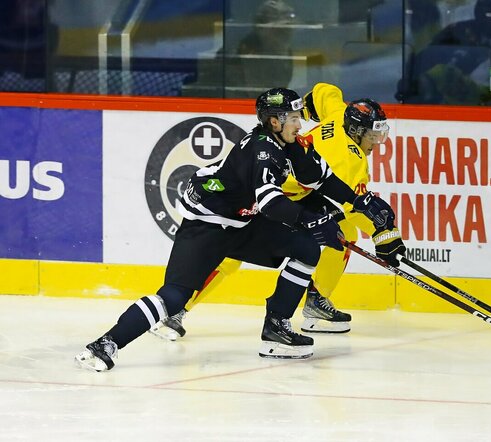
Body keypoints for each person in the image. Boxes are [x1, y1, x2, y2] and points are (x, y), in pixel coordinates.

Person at [75, 87, 400, 371]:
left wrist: (365, 202)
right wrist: (314, 221)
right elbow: (273, 204)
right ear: (275, 122)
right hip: (206, 226)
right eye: (293, 118)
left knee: (305, 249)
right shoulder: (263, 150)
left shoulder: (290, 144)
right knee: (174, 297)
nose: (300, 123)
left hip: (243, 221)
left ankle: (277, 328)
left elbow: (324, 179)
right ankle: (106, 343)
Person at [150, 82, 407, 340]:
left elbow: (324, 91)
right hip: (267, 194)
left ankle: (317, 300)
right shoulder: (351, 162)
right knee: (229, 254)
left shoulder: (339, 112)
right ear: (357, 131)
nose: (376, 143)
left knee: (342, 233)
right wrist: (385, 235)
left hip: (292, 188)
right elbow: (352, 207)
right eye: (372, 137)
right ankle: (175, 309)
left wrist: (301, 114)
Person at [397, 0, 491, 104]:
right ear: (483, 15)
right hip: (430, 99)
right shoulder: (462, 35)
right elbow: (445, 73)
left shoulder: (485, 45)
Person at [225, 0, 296, 97]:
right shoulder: (247, 55)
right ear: (261, 29)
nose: (285, 36)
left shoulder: (285, 53)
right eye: (279, 31)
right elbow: (256, 96)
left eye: (288, 29)